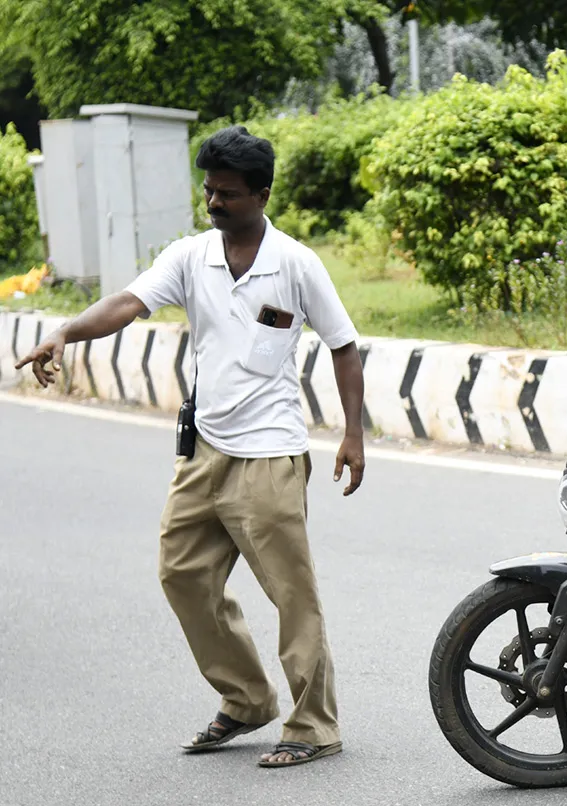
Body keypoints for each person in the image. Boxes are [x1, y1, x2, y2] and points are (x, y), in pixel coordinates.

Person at [16, 125, 366, 768]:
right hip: (204, 451)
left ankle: (315, 724)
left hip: (269, 456)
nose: (214, 202)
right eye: (208, 190)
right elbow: (128, 303)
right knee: (182, 573)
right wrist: (65, 331)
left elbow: (344, 346)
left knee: (292, 593)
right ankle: (246, 699)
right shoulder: (191, 256)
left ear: (261, 194)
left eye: (227, 193)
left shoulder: (295, 263)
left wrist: (352, 433)